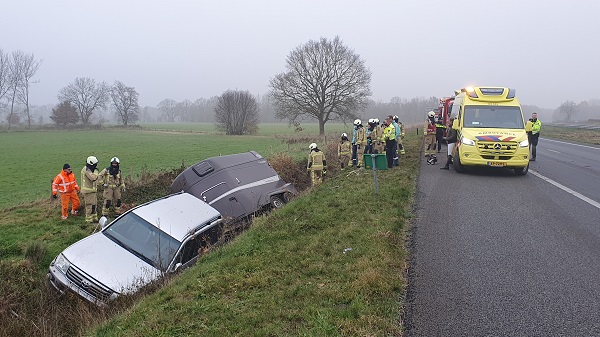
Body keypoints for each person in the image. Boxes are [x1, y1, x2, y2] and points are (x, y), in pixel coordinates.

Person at [81, 156, 100, 223]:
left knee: (94, 205)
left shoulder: (89, 169)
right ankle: (89, 220)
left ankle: (94, 218)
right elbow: (93, 178)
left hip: (92, 191)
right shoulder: (86, 170)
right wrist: (96, 172)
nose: (96, 166)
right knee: (89, 205)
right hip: (88, 191)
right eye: (95, 164)